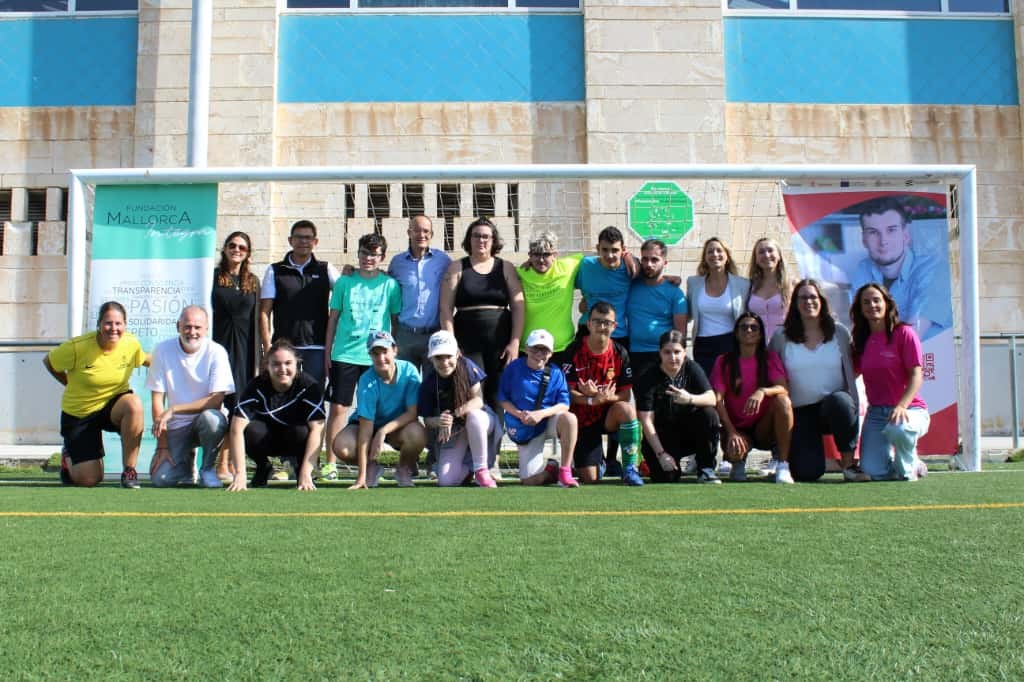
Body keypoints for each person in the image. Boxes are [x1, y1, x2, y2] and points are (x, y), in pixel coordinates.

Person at [768, 279, 869, 483]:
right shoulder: (781, 336)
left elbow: (852, 369)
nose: (808, 302)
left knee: (841, 401)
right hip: (800, 412)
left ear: (822, 300)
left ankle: (849, 465)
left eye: (813, 297)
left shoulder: (839, 332)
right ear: (795, 303)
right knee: (807, 473)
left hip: (832, 408)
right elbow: (771, 373)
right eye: (802, 297)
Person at [320, 232, 402, 481]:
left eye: (374, 254)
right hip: (345, 354)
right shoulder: (345, 282)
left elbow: (395, 322)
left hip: (375, 358)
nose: (368, 258)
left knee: (374, 411)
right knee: (338, 408)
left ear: (382, 257)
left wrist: (393, 354)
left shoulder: (390, 285)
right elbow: (333, 319)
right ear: (358, 254)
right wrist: (328, 352)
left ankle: (374, 463)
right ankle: (330, 463)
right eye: (364, 253)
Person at [43, 301, 148, 488]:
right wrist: (68, 382)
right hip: (80, 413)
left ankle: (129, 470)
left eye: (118, 324)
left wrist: (176, 360)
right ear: (99, 324)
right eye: (108, 323)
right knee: (89, 479)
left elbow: (147, 359)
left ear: (125, 325)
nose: (113, 328)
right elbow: (49, 362)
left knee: (134, 405)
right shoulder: (77, 347)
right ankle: (68, 458)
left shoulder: (130, 344)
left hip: (113, 406)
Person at [440, 217, 525, 409]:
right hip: (467, 341)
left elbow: (519, 306)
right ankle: (472, 438)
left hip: (500, 341)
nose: (481, 240)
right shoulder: (457, 267)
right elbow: (445, 309)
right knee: (471, 392)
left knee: (497, 393)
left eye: (486, 236)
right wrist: (451, 343)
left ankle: (494, 439)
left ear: (493, 241)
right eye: (476, 236)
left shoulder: (506, 267)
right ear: (469, 239)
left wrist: (515, 341)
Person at [146, 306, 234, 488]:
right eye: (187, 326)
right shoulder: (162, 350)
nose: (192, 332)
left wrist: (174, 409)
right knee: (160, 480)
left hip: (206, 420)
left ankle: (207, 469)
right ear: (178, 326)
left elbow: (216, 400)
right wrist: (162, 447)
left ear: (206, 328)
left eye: (197, 327)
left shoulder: (217, 352)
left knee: (212, 419)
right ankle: (186, 465)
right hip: (176, 426)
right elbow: (157, 401)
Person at [850, 283, 931, 481]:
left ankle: (911, 464)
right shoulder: (861, 340)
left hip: (910, 410)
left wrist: (902, 406)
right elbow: (850, 373)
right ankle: (904, 462)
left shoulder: (904, 333)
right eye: (866, 302)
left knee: (900, 431)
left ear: (886, 303)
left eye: (876, 300)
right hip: (876, 414)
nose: (872, 305)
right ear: (860, 309)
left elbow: (916, 375)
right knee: (873, 471)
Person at [226, 340, 326, 492]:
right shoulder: (256, 386)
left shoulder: (309, 387)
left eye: (288, 363)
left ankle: (300, 471)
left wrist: (307, 471)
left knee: (303, 431)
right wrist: (240, 473)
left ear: (297, 364)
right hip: (266, 440)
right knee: (250, 430)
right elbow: (236, 429)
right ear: (267, 365)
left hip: (294, 439)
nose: (282, 369)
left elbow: (318, 429)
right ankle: (263, 467)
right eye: (276, 364)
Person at [850, 196, 952, 341]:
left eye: (891, 230)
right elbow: (857, 325)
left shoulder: (935, 269)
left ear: (905, 235)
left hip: (931, 360)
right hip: (882, 357)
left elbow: (910, 336)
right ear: (864, 240)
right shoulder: (864, 268)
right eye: (873, 232)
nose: (883, 241)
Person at [333, 331, 426, 489]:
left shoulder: (410, 371)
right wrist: (361, 477)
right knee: (342, 447)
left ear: (395, 350)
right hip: (368, 426)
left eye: (385, 352)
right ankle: (371, 467)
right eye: (375, 353)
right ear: (369, 355)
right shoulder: (366, 380)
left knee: (418, 434)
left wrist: (383, 432)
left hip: (399, 426)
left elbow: (412, 413)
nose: (381, 358)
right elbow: (365, 431)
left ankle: (403, 468)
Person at [709, 313, 794, 484]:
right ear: (736, 333)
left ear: (761, 333)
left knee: (783, 401)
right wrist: (731, 432)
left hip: (764, 428)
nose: (749, 330)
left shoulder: (770, 358)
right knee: (735, 457)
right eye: (744, 327)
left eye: (754, 327)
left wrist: (762, 391)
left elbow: (783, 388)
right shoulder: (723, 361)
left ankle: (783, 465)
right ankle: (738, 462)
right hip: (738, 429)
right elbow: (717, 399)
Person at [565, 302, 643, 486]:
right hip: (582, 418)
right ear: (589, 324)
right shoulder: (573, 351)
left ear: (615, 326)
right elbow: (567, 393)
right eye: (597, 322)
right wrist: (591, 400)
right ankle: (593, 462)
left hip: (608, 416)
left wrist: (607, 398)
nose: (602, 327)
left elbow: (625, 394)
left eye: (607, 323)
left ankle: (630, 468)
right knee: (591, 479)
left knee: (627, 409)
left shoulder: (620, 353)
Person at [259, 219, 340, 384]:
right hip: (284, 347)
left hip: (317, 347)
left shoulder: (326, 269)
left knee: (313, 396)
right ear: (290, 240)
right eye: (299, 237)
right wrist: (267, 348)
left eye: (308, 238)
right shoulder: (275, 270)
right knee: (282, 395)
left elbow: (345, 295)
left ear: (315, 242)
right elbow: (264, 312)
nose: (303, 241)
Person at [634, 330, 721, 484]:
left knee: (709, 414)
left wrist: (689, 399)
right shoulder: (648, 375)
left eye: (677, 352)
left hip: (689, 433)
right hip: (662, 436)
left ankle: (706, 469)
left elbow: (712, 398)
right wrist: (661, 454)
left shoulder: (692, 368)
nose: (673, 357)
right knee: (666, 478)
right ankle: (664, 464)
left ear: (684, 352)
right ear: (660, 353)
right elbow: (646, 420)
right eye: (667, 352)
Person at [417, 330, 500, 488]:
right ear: (431, 359)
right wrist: (441, 421)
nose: (444, 362)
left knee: (474, 416)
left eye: (448, 356)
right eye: (438, 358)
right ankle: (469, 467)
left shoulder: (467, 366)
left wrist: (453, 415)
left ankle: (481, 470)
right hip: (456, 428)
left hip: (480, 421)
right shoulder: (428, 383)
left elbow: (478, 400)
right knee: (446, 481)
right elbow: (427, 420)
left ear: (457, 354)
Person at [497, 329, 579, 488]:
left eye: (545, 350)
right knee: (529, 482)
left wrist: (540, 414)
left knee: (570, 419)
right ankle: (551, 470)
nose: (539, 354)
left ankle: (565, 471)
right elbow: (503, 399)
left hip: (547, 422)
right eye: (535, 348)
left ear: (551, 353)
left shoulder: (556, 372)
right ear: (526, 348)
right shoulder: (513, 368)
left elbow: (564, 404)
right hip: (525, 425)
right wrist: (520, 415)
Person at [211, 231, 260, 483]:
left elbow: (260, 319)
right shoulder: (213, 277)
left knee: (237, 406)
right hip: (218, 346)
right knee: (214, 403)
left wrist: (261, 354)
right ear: (225, 248)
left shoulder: (252, 281)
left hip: (245, 349)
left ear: (248, 252)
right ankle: (205, 463)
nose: (237, 249)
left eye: (242, 246)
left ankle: (225, 463)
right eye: (232, 245)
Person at [388, 215, 452, 371]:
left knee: (432, 385)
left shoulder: (443, 261)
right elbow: (383, 282)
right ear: (409, 233)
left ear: (431, 235)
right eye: (416, 230)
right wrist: (353, 270)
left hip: (434, 334)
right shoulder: (397, 263)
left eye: (426, 231)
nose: (421, 235)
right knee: (405, 384)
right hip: (405, 335)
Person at [517, 231, 584, 370]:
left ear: (555, 255)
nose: (541, 259)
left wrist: (626, 255)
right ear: (529, 255)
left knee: (562, 391)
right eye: (536, 254)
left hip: (562, 349)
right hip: (529, 351)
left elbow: (600, 259)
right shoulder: (520, 273)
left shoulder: (568, 267)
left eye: (546, 254)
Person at [686, 237, 751, 377]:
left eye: (719, 250)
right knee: (708, 391)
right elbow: (688, 314)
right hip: (703, 346)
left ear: (727, 256)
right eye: (710, 251)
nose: (715, 254)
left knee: (731, 390)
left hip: (731, 343)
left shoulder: (743, 284)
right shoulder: (693, 283)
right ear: (705, 258)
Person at [627, 238, 688, 378]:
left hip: (664, 355)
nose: (649, 264)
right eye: (645, 259)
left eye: (654, 260)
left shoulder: (675, 293)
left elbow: (681, 333)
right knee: (642, 399)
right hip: (635, 354)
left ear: (665, 262)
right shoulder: (631, 285)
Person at [746, 237, 793, 340]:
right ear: (756, 259)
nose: (766, 255)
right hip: (757, 345)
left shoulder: (792, 285)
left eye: (770, 250)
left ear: (779, 255)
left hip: (786, 343)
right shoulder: (749, 286)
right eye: (761, 252)